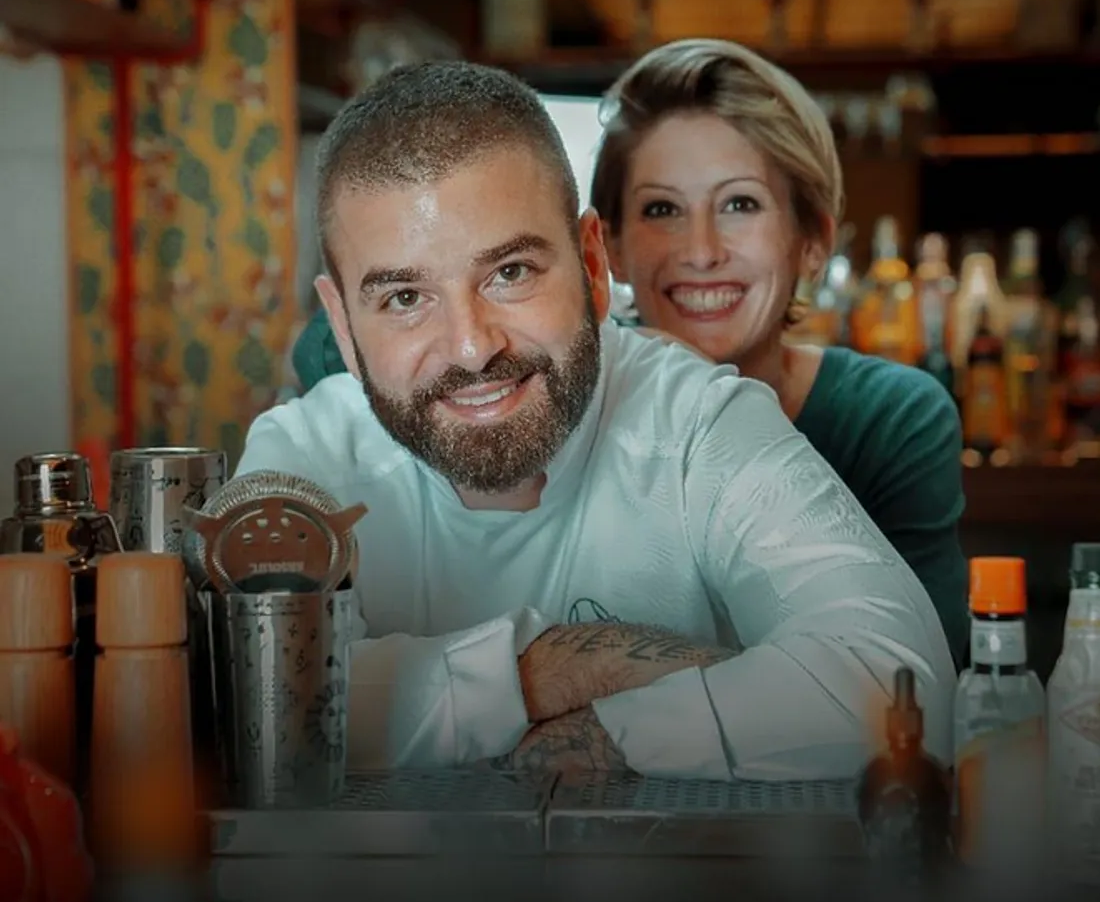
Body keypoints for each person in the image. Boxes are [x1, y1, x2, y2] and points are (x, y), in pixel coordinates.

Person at [235, 60, 955, 781]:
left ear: (589, 263)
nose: (471, 345)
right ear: (341, 319)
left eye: (509, 273)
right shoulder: (305, 454)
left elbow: (904, 685)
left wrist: (611, 730)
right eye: (402, 298)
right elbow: (243, 709)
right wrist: (544, 671)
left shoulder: (696, 417)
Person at [586, 39, 968, 666]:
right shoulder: (569, 410)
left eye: (740, 204)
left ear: (811, 241)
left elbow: (913, 685)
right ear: (612, 248)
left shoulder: (892, 419)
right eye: (662, 209)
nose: (702, 250)